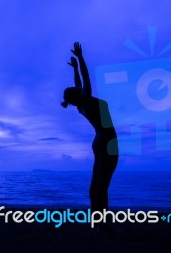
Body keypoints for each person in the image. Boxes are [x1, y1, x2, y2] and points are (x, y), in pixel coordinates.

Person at [61, 42, 119, 216]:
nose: (77, 87)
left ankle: (96, 220)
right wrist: (80, 57)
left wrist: (75, 68)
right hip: (108, 141)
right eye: (75, 89)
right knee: (103, 185)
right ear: (78, 95)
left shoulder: (81, 105)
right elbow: (85, 80)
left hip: (98, 141)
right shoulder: (86, 100)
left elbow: (79, 83)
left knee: (96, 182)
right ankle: (103, 223)